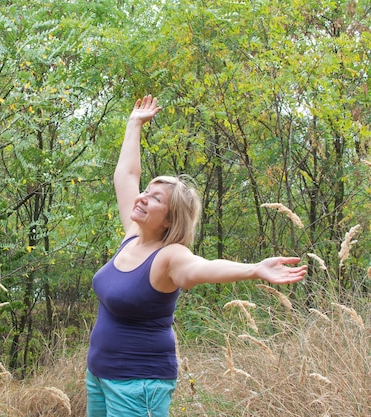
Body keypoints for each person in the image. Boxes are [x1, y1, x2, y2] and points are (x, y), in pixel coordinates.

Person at [85, 94, 307, 417]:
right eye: (146, 191)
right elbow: (126, 176)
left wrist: (256, 269)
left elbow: (203, 268)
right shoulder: (132, 236)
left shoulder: (169, 257)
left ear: (170, 220)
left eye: (155, 198)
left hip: (138, 386)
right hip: (101, 377)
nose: (143, 197)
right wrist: (134, 124)